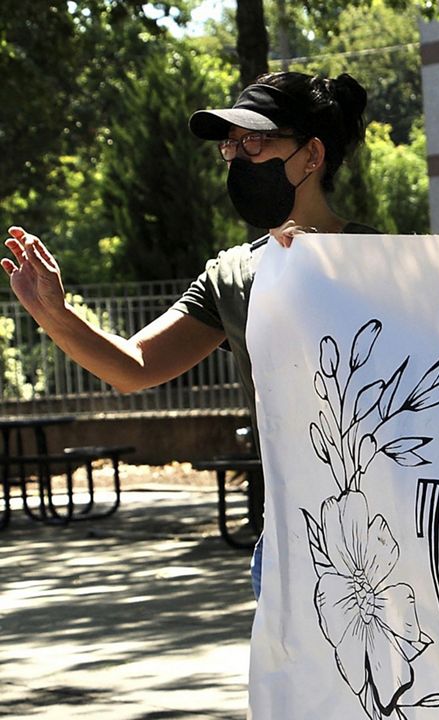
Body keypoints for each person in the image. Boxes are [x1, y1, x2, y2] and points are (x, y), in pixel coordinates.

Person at [2, 70, 376, 598]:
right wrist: (54, 314)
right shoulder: (232, 277)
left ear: (311, 155)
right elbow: (134, 368)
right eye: (231, 145)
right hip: (290, 551)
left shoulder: (393, 263)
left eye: (255, 141)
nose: (239, 156)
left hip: (394, 541)